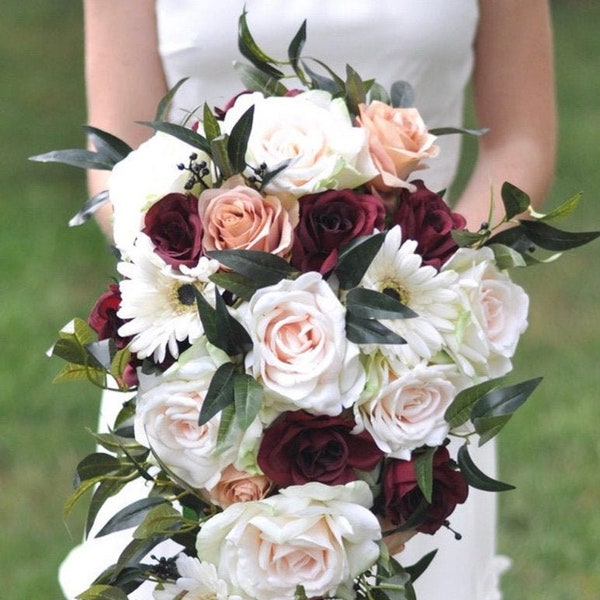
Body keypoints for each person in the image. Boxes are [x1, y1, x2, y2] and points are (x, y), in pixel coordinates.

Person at [60, 1, 556, 599]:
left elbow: (521, 139)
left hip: (415, 353)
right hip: (199, 359)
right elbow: (117, 162)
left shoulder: (421, 337)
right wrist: (223, 301)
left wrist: (430, 290)